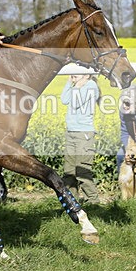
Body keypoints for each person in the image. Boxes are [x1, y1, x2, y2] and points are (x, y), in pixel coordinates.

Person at [61, 74, 101, 205]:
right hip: (71, 133)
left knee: (82, 171)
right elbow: (64, 100)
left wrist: (77, 86)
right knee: (69, 171)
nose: (73, 75)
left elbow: (77, 103)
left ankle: (93, 202)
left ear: (87, 74)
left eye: (76, 72)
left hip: (83, 134)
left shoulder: (91, 86)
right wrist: (69, 83)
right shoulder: (75, 86)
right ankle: (72, 201)